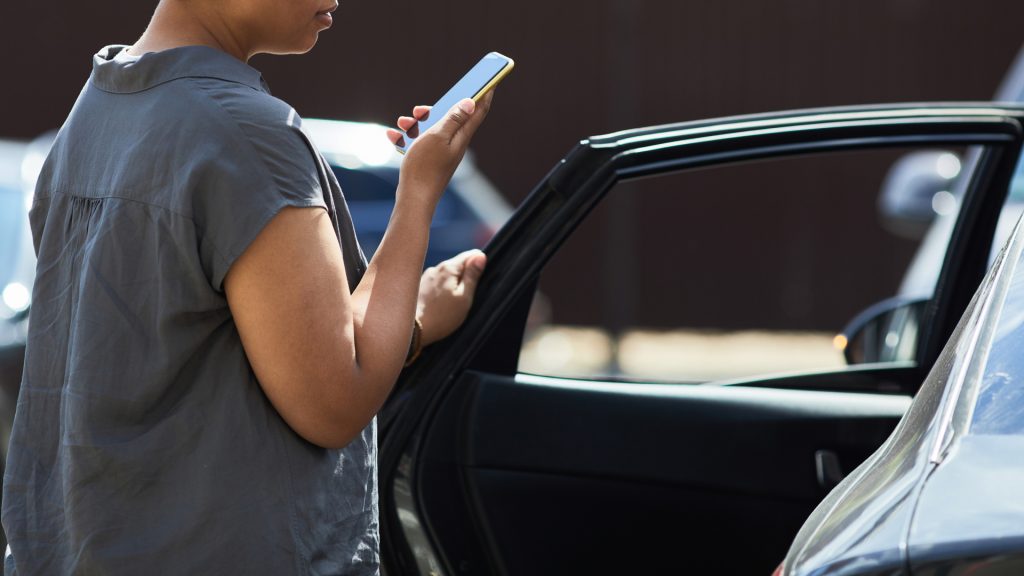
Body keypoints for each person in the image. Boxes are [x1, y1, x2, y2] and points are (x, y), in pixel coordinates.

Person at [1, 0, 494, 573]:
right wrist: (419, 194)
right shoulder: (249, 134)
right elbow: (335, 403)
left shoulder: (98, 105)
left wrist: (409, 324)